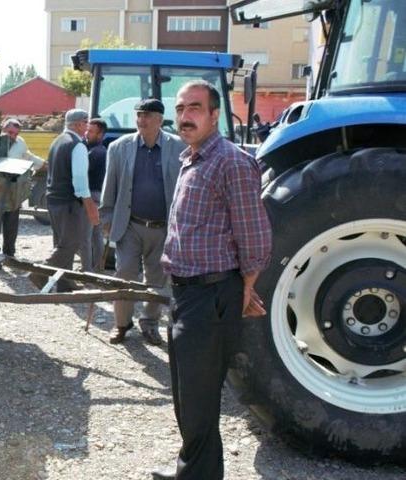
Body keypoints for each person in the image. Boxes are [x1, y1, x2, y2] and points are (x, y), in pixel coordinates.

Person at [153, 80, 272, 480]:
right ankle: (192, 470)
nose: (185, 116)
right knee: (188, 397)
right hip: (186, 293)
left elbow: (255, 236)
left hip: (211, 294)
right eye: (180, 108)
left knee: (199, 399)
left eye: (195, 108)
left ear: (215, 114)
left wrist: (246, 288)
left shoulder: (231, 162)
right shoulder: (193, 159)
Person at [99, 99, 185, 346]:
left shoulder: (178, 146)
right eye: (139, 115)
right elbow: (110, 185)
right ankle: (121, 324)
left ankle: (149, 323)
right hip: (130, 225)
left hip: (163, 227)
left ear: (160, 120)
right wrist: (106, 216)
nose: (141, 120)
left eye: (147, 115)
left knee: (157, 279)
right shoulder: (119, 147)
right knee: (124, 273)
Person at [29, 109, 99, 292]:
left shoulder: (58, 141)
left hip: (54, 199)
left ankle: (64, 283)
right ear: (78, 124)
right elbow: (80, 180)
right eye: (86, 122)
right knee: (71, 243)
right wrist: (90, 205)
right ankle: (39, 272)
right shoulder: (77, 145)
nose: (88, 126)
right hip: (69, 202)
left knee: (62, 241)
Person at [0, 118, 45, 258]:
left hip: (13, 188)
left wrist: (43, 164)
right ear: (3, 129)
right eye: (10, 132)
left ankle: (9, 253)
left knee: (11, 223)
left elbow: (27, 156)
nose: (13, 136)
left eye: (16, 134)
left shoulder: (20, 142)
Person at [81, 117, 107, 273]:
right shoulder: (97, 150)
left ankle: (87, 271)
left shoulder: (96, 153)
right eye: (87, 130)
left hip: (92, 197)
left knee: (86, 235)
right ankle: (98, 268)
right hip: (97, 196)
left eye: (91, 131)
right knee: (96, 235)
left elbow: (82, 171)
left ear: (100, 135)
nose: (86, 134)